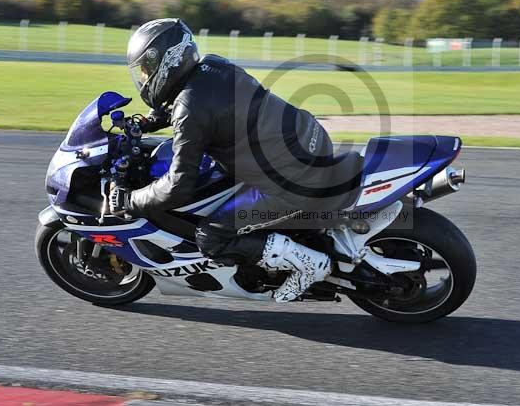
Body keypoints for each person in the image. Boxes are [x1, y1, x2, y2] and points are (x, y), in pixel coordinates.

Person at [108, 18, 358, 302]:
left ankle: (310, 265)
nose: (144, 78)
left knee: (210, 237)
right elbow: (211, 106)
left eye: (146, 71)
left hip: (293, 182)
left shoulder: (190, 109)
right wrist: (151, 121)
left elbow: (178, 186)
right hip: (310, 138)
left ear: (167, 62)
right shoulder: (215, 66)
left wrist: (130, 201)